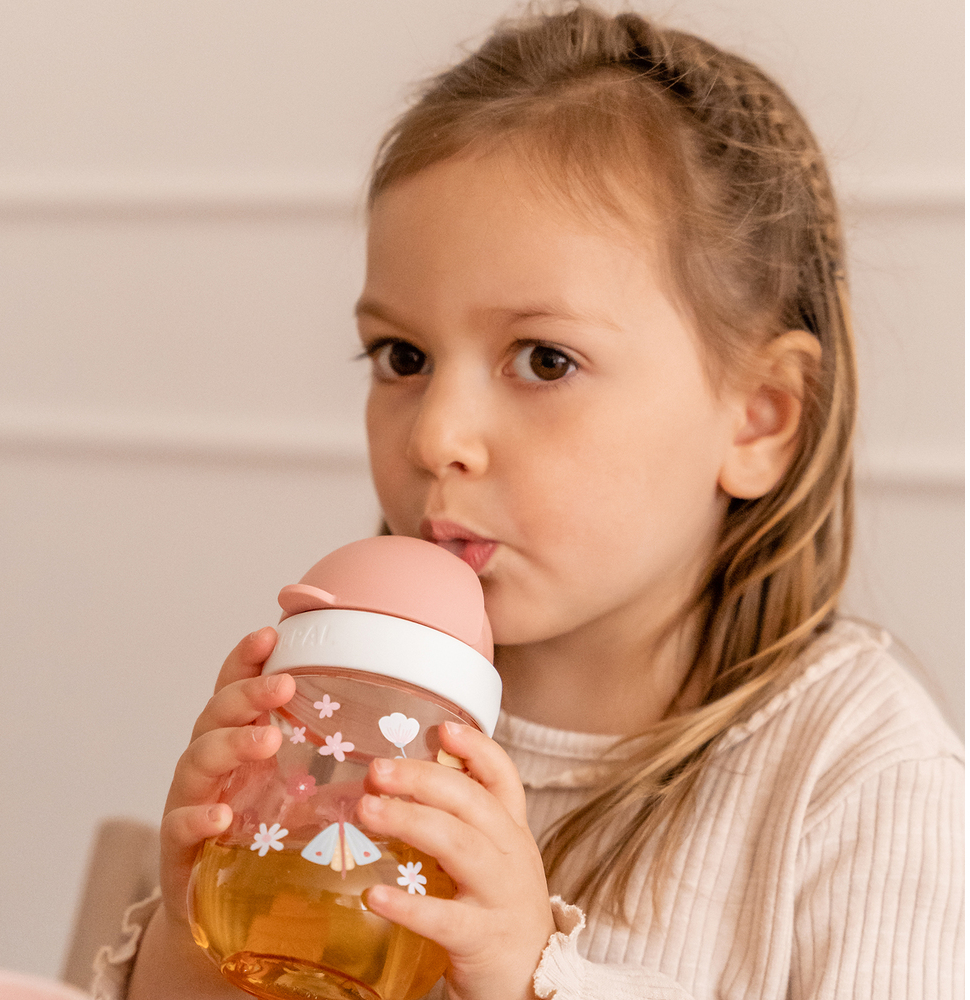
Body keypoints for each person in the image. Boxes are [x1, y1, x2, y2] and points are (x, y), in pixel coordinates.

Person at [94, 4, 963, 998]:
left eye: (544, 359)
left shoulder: (856, 772)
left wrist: (528, 977)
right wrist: (199, 927)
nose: (434, 437)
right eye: (402, 357)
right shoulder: (361, 716)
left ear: (756, 419)